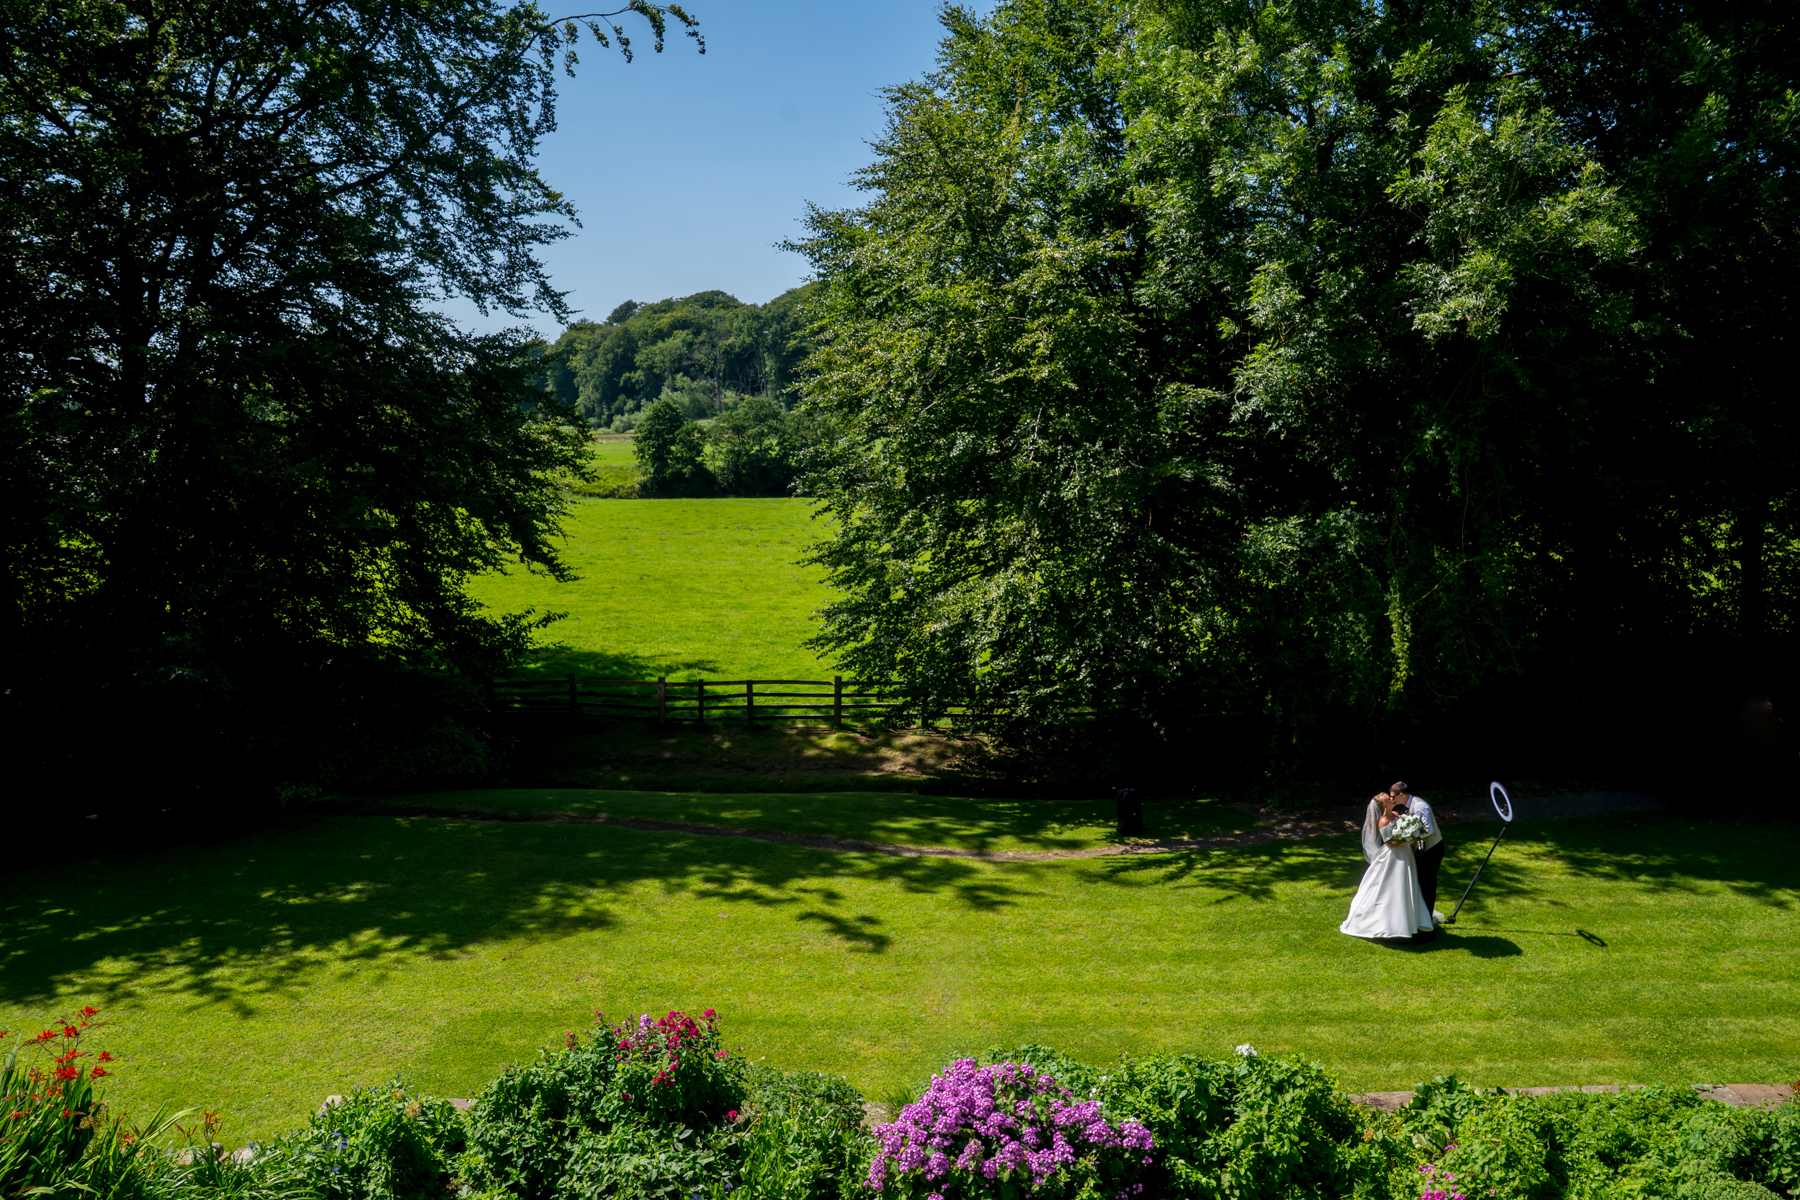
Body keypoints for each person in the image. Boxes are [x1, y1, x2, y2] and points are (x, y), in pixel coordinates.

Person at [1339, 791, 1435, 941]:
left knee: (1408, 884)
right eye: (1388, 799)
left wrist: (1410, 833)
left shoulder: (1396, 814)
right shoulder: (1383, 821)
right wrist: (1407, 837)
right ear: (1384, 805)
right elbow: (1390, 842)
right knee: (1392, 885)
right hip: (1394, 855)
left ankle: (1411, 919)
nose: (1392, 799)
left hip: (1405, 853)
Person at [1390, 782, 1446, 927]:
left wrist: (1408, 836)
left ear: (1401, 794)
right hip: (1423, 848)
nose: (1392, 800)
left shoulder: (1419, 805)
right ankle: (1422, 915)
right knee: (1420, 881)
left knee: (1428, 883)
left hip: (1433, 848)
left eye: (1393, 797)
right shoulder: (1410, 806)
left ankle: (1427, 917)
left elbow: (1428, 829)